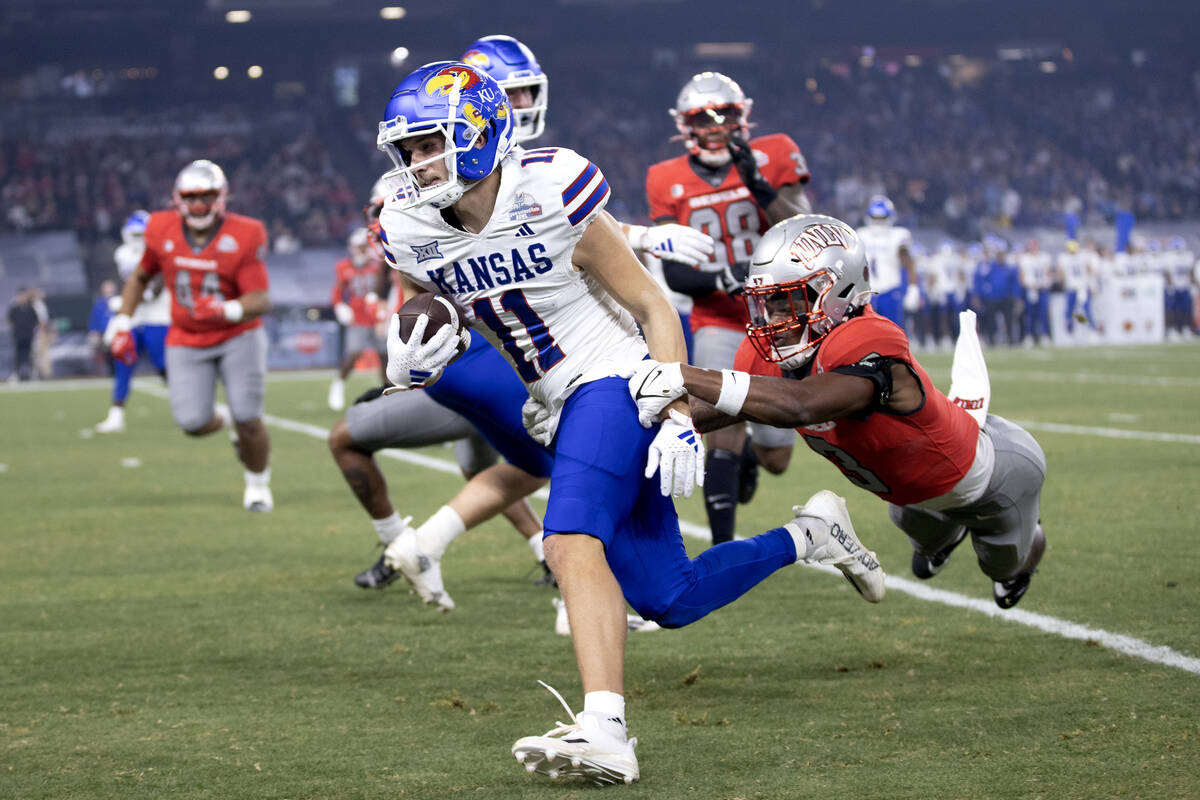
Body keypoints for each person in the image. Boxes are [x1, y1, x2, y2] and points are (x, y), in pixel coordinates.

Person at [375, 61, 885, 786]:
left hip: (617, 375)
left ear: (481, 134)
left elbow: (651, 306)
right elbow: (441, 302)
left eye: (432, 143)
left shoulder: (551, 188)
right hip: (552, 395)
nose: (417, 162)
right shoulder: (406, 223)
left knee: (570, 535)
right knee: (667, 597)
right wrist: (421, 345)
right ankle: (811, 535)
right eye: (411, 149)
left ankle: (606, 729)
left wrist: (676, 410)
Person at [340, 35, 717, 596]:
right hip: (499, 352)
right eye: (509, 93)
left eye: (523, 92)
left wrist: (637, 236)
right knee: (571, 463)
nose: (520, 106)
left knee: (512, 461)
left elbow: (559, 235)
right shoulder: (417, 197)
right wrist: (416, 337)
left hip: (546, 351)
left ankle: (429, 546)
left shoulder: (546, 175)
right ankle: (544, 558)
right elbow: (432, 280)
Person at [629, 213, 1046, 613]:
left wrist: (681, 374)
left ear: (835, 291)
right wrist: (637, 415)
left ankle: (1025, 548)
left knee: (1005, 567)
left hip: (995, 479)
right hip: (912, 498)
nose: (774, 319)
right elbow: (708, 412)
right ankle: (944, 536)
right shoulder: (777, 354)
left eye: (785, 301)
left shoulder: (868, 337)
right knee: (924, 550)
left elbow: (801, 404)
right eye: (765, 305)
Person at [646, 71, 810, 547]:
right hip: (718, 317)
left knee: (777, 458)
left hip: (783, 318)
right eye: (703, 118)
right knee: (722, 419)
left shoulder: (775, 152)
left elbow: (806, 230)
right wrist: (723, 277)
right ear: (684, 125)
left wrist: (759, 186)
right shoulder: (665, 176)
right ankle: (723, 550)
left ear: (745, 117)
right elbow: (677, 275)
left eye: (726, 115)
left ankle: (749, 459)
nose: (716, 127)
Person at [109, 160, 274, 511]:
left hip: (238, 334)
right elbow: (140, 278)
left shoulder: (246, 233)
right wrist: (123, 322)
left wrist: (225, 309)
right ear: (177, 199)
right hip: (185, 335)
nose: (198, 205)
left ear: (222, 197)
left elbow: (260, 299)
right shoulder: (160, 229)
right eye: (191, 197)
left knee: (249, 416)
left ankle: (257, 485)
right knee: (192, 422)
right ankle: (227, 421)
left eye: (206, 196)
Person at [96, 211, 169, 433]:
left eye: (141, 234)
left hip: (158, 317)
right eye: (134, 234)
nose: (137, 238)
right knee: (123, 363)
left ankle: (191, 406)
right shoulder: (122, 254)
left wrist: (132, 298)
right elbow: (126, 282)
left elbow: (157, 286)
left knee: (165, 366)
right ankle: (115, 416)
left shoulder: (159, 250)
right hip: (133, 317)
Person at [328, 227, 387, 411]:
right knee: (354, 353)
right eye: (356, 247)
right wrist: (339, 305)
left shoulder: (379, 265)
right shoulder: (344, 266)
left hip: (379, 317)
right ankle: (338, 384)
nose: (358, 251)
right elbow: (338, 290)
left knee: (385, 356)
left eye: (362, 247)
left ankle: (387, 391)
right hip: (359, 317)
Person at [856, 195, 916, 330]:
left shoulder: (899, 235)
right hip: (867, 293)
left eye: (882, 219)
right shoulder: (861, 234)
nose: (878, 223)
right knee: (866, 333)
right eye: (875, 219)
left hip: (890, 290)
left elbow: (908, 262)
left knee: (893, 332)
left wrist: (913, 288)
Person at [7, 287, 39, 382]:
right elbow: (10, 320)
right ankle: (16, 374)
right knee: (18, 355)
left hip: (29, 335)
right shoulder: (14, 308)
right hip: (18, 335)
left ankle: (33, 374)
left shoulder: (31, 308)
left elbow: (36, 321)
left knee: (30, 355)